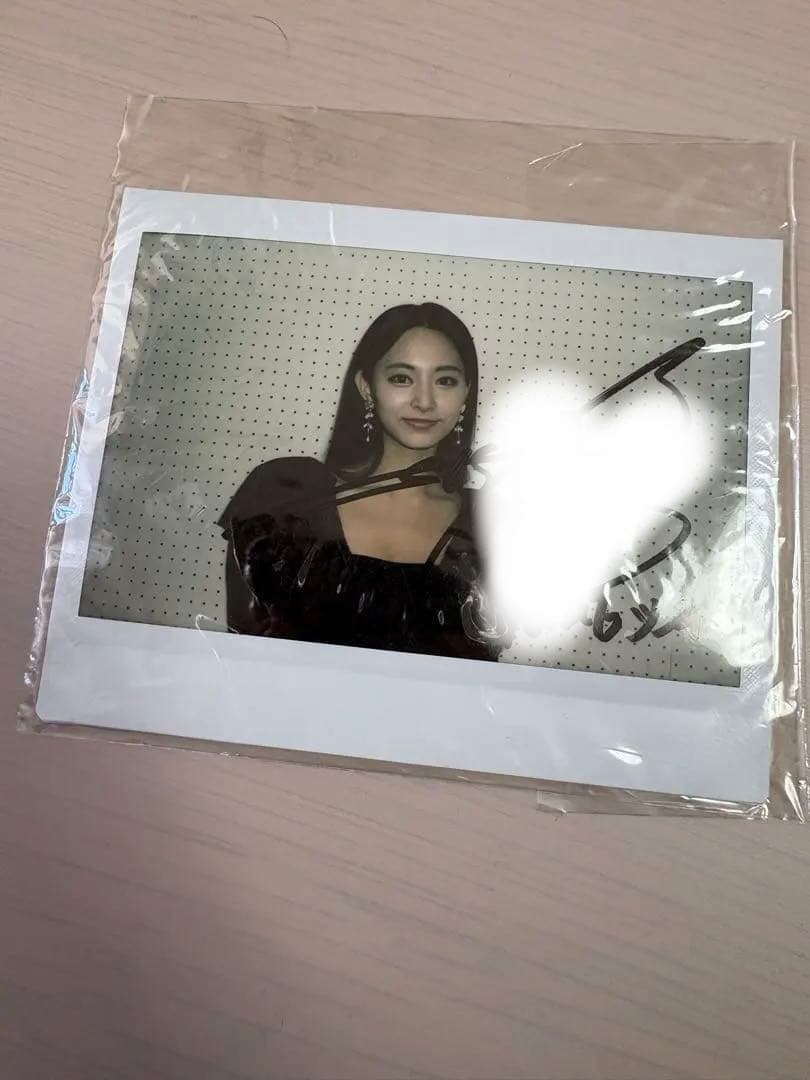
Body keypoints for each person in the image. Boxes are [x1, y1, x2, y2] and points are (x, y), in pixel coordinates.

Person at [218, 302, 506, 661]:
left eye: (445, 381)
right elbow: (243, 651)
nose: (424, 401)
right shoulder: (288, 495)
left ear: (465, 393)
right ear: (366, 387)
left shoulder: (491, 523)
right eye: (401, 378)